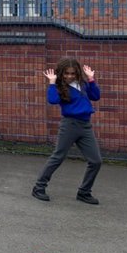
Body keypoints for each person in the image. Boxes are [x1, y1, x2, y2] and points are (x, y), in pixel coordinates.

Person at [32, 59, 103, 205]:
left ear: (77, 72)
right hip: (69, 125)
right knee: (58, 157)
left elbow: (96, 96)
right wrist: (52, 82)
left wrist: (91, 79)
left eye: (72, 73)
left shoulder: (82, 85)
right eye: (66, 74)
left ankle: (84, 192)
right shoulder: (60, 87)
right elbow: (52, 100)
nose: (69, 76)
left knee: (96, 161)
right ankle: (39, 187)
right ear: (61, 74)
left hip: (85, 126)